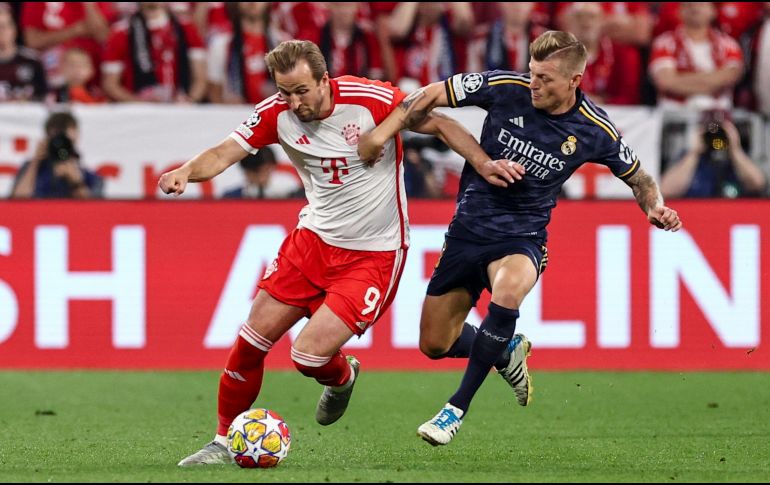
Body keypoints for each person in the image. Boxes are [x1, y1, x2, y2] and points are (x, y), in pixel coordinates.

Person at [160, 39, 504, 466]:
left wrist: (483, 163)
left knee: (307, 356)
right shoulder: (276, 114)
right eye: (284, 91)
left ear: (325, 80)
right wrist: (186, 171)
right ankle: (222, 441)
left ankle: (342, 378)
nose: (293, 102)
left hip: (373, 253)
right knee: (250, 341)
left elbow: (439, 123)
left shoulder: (368, 99)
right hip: (312, 242)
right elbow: (223, 153)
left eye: (301, 90)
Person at [358, 30, 683, 446]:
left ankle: (454, 409)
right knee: (435, 343)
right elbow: (428, 96)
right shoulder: (504, 87)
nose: (534, 84)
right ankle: (505, 349)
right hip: (468, 231)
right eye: (532, 73)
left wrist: (654, 207)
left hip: (523, 236)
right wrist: (383, 135)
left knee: (508, 291)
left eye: (545, 78)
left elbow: (640, 179)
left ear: (574, 80)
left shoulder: (593, 129)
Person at [660, 111, 767, 198]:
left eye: (720, 129)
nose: (715, 135)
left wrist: (735, 150)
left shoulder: (741, 156)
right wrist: (694, 153)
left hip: (733, 212)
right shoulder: (688, 157)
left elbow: (758, 184)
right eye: (710, 129)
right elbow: (666, 190)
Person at [10, 111, 103, 199]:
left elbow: (94, 208)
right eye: (57, 140)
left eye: (66, 141)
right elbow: (18, 201)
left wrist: (76, 181)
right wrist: (36, 161)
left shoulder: (90, 177)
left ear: (77, 137)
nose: (62, 147)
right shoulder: (31, 168)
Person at [0, 7, 48, 102]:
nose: (1, 31)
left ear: (14, 29)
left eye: (4, 26)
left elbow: (44, 97)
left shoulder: (32, 61)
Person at [222, 147, 302, 199]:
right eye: (255, 172)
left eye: (266, 170)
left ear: (273, 167)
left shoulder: (293, 193)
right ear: (246, 172)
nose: (261, 178)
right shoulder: (231, 198)